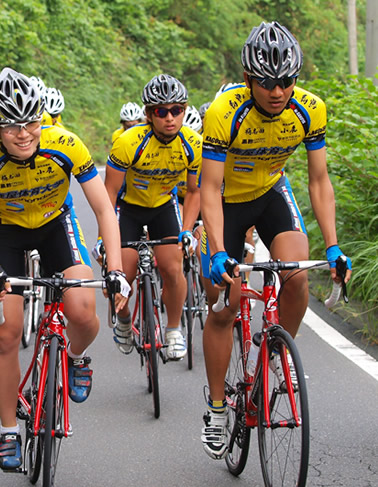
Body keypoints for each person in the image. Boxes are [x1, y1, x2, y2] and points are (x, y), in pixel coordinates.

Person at [0, 67, 130, 471]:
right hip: (7, 233)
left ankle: (75, 356)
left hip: (57, 225)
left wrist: (117, 268)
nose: (24, 134)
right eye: (12, 126)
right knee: (6, 333)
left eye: (31, 123)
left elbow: (104, 207)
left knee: (85, 314)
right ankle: (7, 431)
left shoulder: (66, 145)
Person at [199, 21, 352, 460]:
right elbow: (208, 188)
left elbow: (318, 179)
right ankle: (215, 407)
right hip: (227, 201)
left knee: (296, 273)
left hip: (270, 193)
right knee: (224, 304)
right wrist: (215, 249)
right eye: (267, 82)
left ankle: (276, 357)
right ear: (249, 79)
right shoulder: (224, 112)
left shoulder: (309, 109)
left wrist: (334, 243)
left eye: (287, 81)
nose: (278, 91)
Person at [104, 74, 202, 360]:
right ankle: (123, 321)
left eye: (177, 110)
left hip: (163, 205)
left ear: (184, 110)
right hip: (129, 207)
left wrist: (186, 230)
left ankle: (173, 329)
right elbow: (109, 193)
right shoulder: (128, 142)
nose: (170, 118)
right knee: (124, 274)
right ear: (148, 114)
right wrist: (103, 237)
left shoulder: (193, 143)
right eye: (161, 111)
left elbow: (194, 192)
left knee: (173, 268)